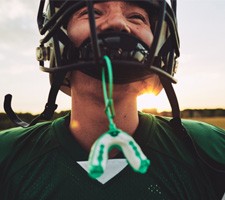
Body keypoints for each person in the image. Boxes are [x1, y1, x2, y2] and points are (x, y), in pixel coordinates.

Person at [0, 0, 225, 199]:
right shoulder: (7, 155)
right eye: (93, 13)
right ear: (57, 43)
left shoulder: (212, 149)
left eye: (136, 17)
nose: (117, 23)